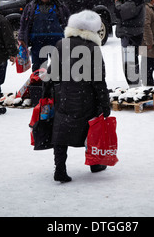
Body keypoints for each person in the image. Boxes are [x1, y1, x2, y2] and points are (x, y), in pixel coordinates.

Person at [47, 10, 111, 183]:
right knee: (91, 130)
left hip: (65, 97)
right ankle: (95, 164)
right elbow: (99, 80)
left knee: (61, 132)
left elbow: (51, 74)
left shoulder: (62, 44)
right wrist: (105, 105)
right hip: (87, 98)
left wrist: (49, 94)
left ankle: (60, 168)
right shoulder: (92, 48)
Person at [18, 0, 70, 72]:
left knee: (58, 67)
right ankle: (39, 85)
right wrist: (21, 38)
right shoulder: (30, 7)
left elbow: (69, 21)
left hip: (57, 42)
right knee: (39, 68)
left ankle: (57, 85)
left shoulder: (60, 6)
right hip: (37, 43)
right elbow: (23, 23)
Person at [114, 0, 149, 87]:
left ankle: (134, 87)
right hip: (132, 33)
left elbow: (121, 12)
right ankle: (134, 85)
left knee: (129, 64)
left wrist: (118, 2)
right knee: (131, 62)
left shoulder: (134, 0)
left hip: (130, 35)